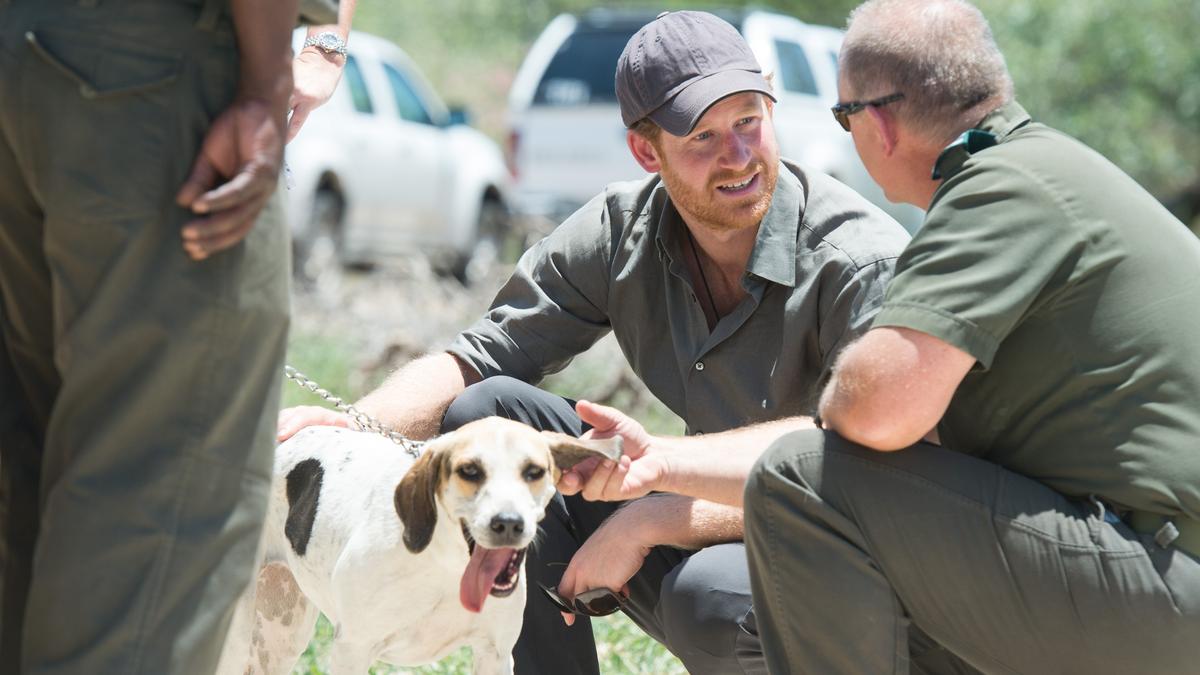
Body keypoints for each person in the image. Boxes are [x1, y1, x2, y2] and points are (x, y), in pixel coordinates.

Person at [563, 1, 1200, 673]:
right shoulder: (1044, 169)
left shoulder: (998, 193)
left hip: (1163, 585)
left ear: (881, 123)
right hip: (1137, 562)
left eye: (844, 116)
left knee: (799, 477)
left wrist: (664, 477)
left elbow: (874, 413)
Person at [278, 10, 910, 674]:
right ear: (647, 151)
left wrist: (651, 521)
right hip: (696, 504)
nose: (739, 156)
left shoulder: (855, 261)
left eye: (750, 121)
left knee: (710, 597)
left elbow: (855, 469)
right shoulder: (620, 230)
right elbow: (479, 357)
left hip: (840, 552)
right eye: (703, 136)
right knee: (490, 415)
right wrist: (354, 428)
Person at [0, 0, 296, 672]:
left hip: (24, 52)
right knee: (163, 489)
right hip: (149, 69)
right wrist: (266, 81)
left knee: (30, 470)